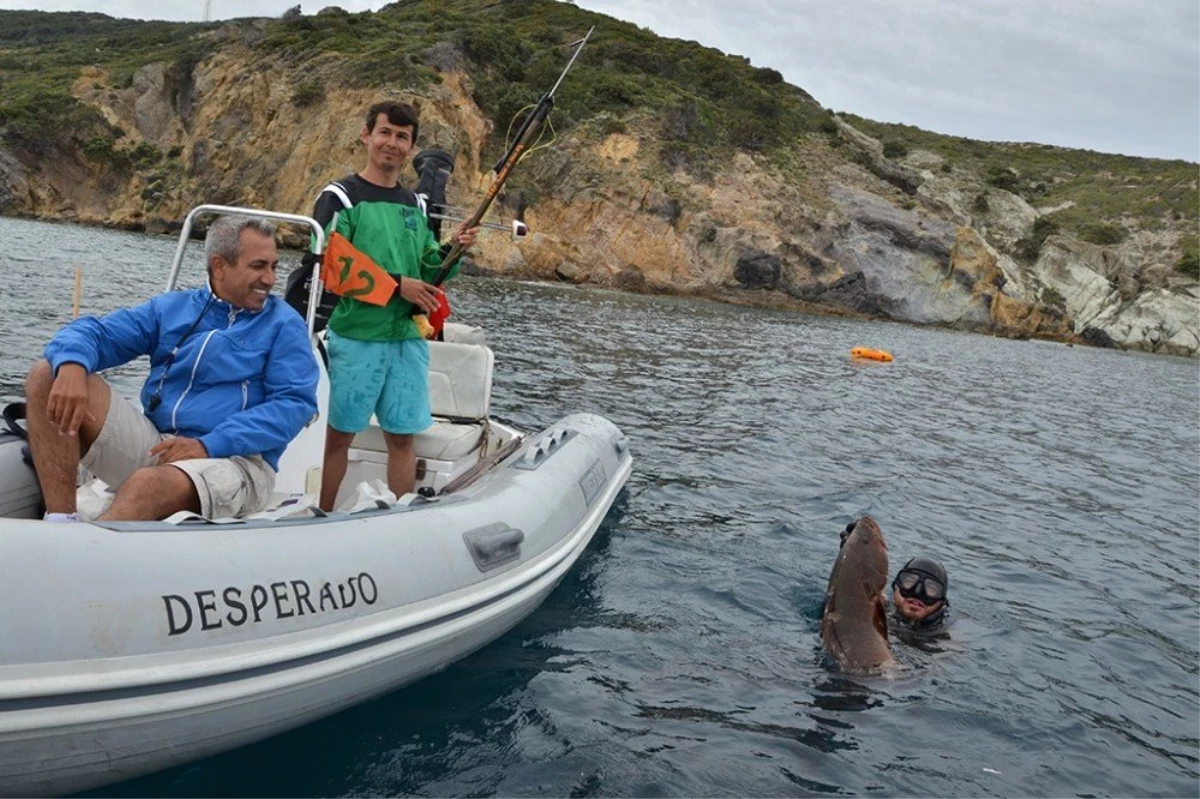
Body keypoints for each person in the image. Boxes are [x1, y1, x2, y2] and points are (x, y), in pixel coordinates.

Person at [24, 215, 320, 522]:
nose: (271, 279)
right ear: (219, 266)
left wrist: (209, 444)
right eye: (259, 266)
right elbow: (97, 333)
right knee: (47, 374)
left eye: (274, 266)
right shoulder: (172, 309)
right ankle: (60, 522)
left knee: (146, 485)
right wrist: (72, 364)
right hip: (160, 444)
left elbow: (293, 405)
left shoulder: (284, 324)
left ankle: (81, 562)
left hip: (236, 460)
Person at [308, 101, 478, 511]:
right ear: (366, 135)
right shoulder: (339, 197)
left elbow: (428, 268)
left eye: (402, 137)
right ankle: (319, 514)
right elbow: (333, 264)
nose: (392, 143)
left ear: (411, 145)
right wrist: (396, 286)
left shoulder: (416, 206)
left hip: (406, 341)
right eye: (385, 132)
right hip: (355, 338)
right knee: (338, 437)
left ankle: (399, 516)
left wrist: (452, 250)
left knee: (403, 438)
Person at [835, 522, 950, 632]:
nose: (917, 592)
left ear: (941, 602)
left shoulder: (947, 640)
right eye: (910, 581)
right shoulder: (879, 611)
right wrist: (849, 561)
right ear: (895, 587)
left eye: (931, 589)